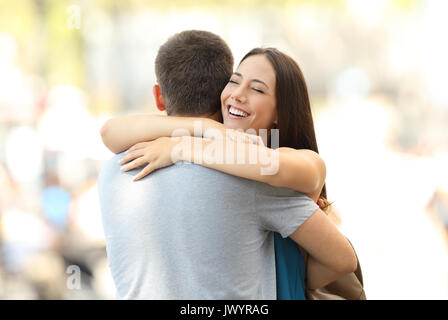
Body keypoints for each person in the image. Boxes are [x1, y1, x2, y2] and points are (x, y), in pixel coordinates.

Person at [99, 30, 356, 299]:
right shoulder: (233, 168)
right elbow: (109, 131)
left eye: (257, 89)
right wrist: (206, 129)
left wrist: (182, 147)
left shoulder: (114, 170)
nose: (239, 95)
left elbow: (270, 166)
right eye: (234, 82)